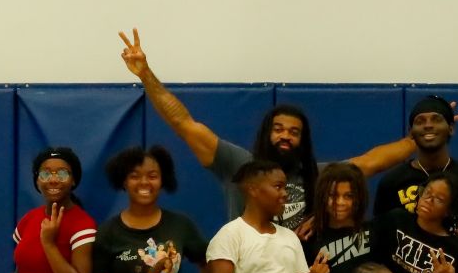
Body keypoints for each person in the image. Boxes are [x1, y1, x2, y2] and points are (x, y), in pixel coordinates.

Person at [118, 28, 415, 234]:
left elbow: (369, 163)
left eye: (294, 132)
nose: (285, 136)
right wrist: (146, 75)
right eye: (279, 129)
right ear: (266, 134)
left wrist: (418, 141)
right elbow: (184, 123)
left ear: (302, 141)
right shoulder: (238, 165)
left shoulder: (317, 175)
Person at [373, 94, 458, 249]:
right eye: (420, 121)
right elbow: (380, 242)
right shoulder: (391, 182)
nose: (428, 125)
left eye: (436, 119)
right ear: (411, 132)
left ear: (451, 128)